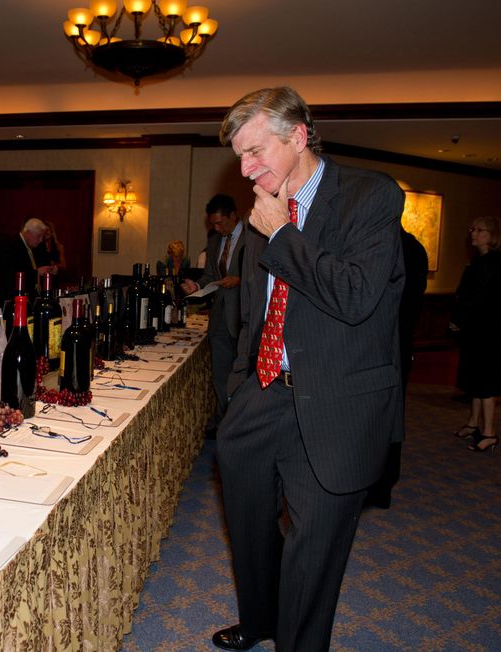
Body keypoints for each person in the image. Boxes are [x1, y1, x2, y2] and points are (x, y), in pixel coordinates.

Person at [212, 86, 405, 652]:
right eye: (239, 157)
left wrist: (283, 235)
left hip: (336, 404)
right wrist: (239, 388)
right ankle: (260, 619)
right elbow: (253, 310)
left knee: (312, 554)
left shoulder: (370, 198)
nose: (245, 170)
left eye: (255, 152)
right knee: (248, 531)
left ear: (297, 137)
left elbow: (354, 296)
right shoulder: (260, 214)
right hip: (262, 391)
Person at [365, 226, 429, 509]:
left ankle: (375, 484)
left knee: (377, 416)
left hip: (380, 344)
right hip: (400, 342)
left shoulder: (383, 246)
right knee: (392, 413)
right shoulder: (415, 248)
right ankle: (383, 485)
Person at [182, 194, 246, 438]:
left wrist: (239, 280)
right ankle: (223, 421)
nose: (217, 228)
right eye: (213, 224)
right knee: (220, 374)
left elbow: (262, 273)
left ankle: (238, 424)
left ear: (233, 215)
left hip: (243, 314)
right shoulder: (213, 239)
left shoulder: (253, 236)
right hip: (220, 316)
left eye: (221, 223)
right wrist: (197, 287)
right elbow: (210, 276)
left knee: (240, 375)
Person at [449, 215, 501, 452]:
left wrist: (463, 318)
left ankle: (490, 432)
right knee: (474, 380)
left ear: (492, 235)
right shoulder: (480, 261)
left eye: (480, 230)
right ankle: (474, 423)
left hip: (488, 332)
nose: (473, 233)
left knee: (486, 382)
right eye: (472, 228)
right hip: (476, 330)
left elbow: (483, 300)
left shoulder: (497, 263)